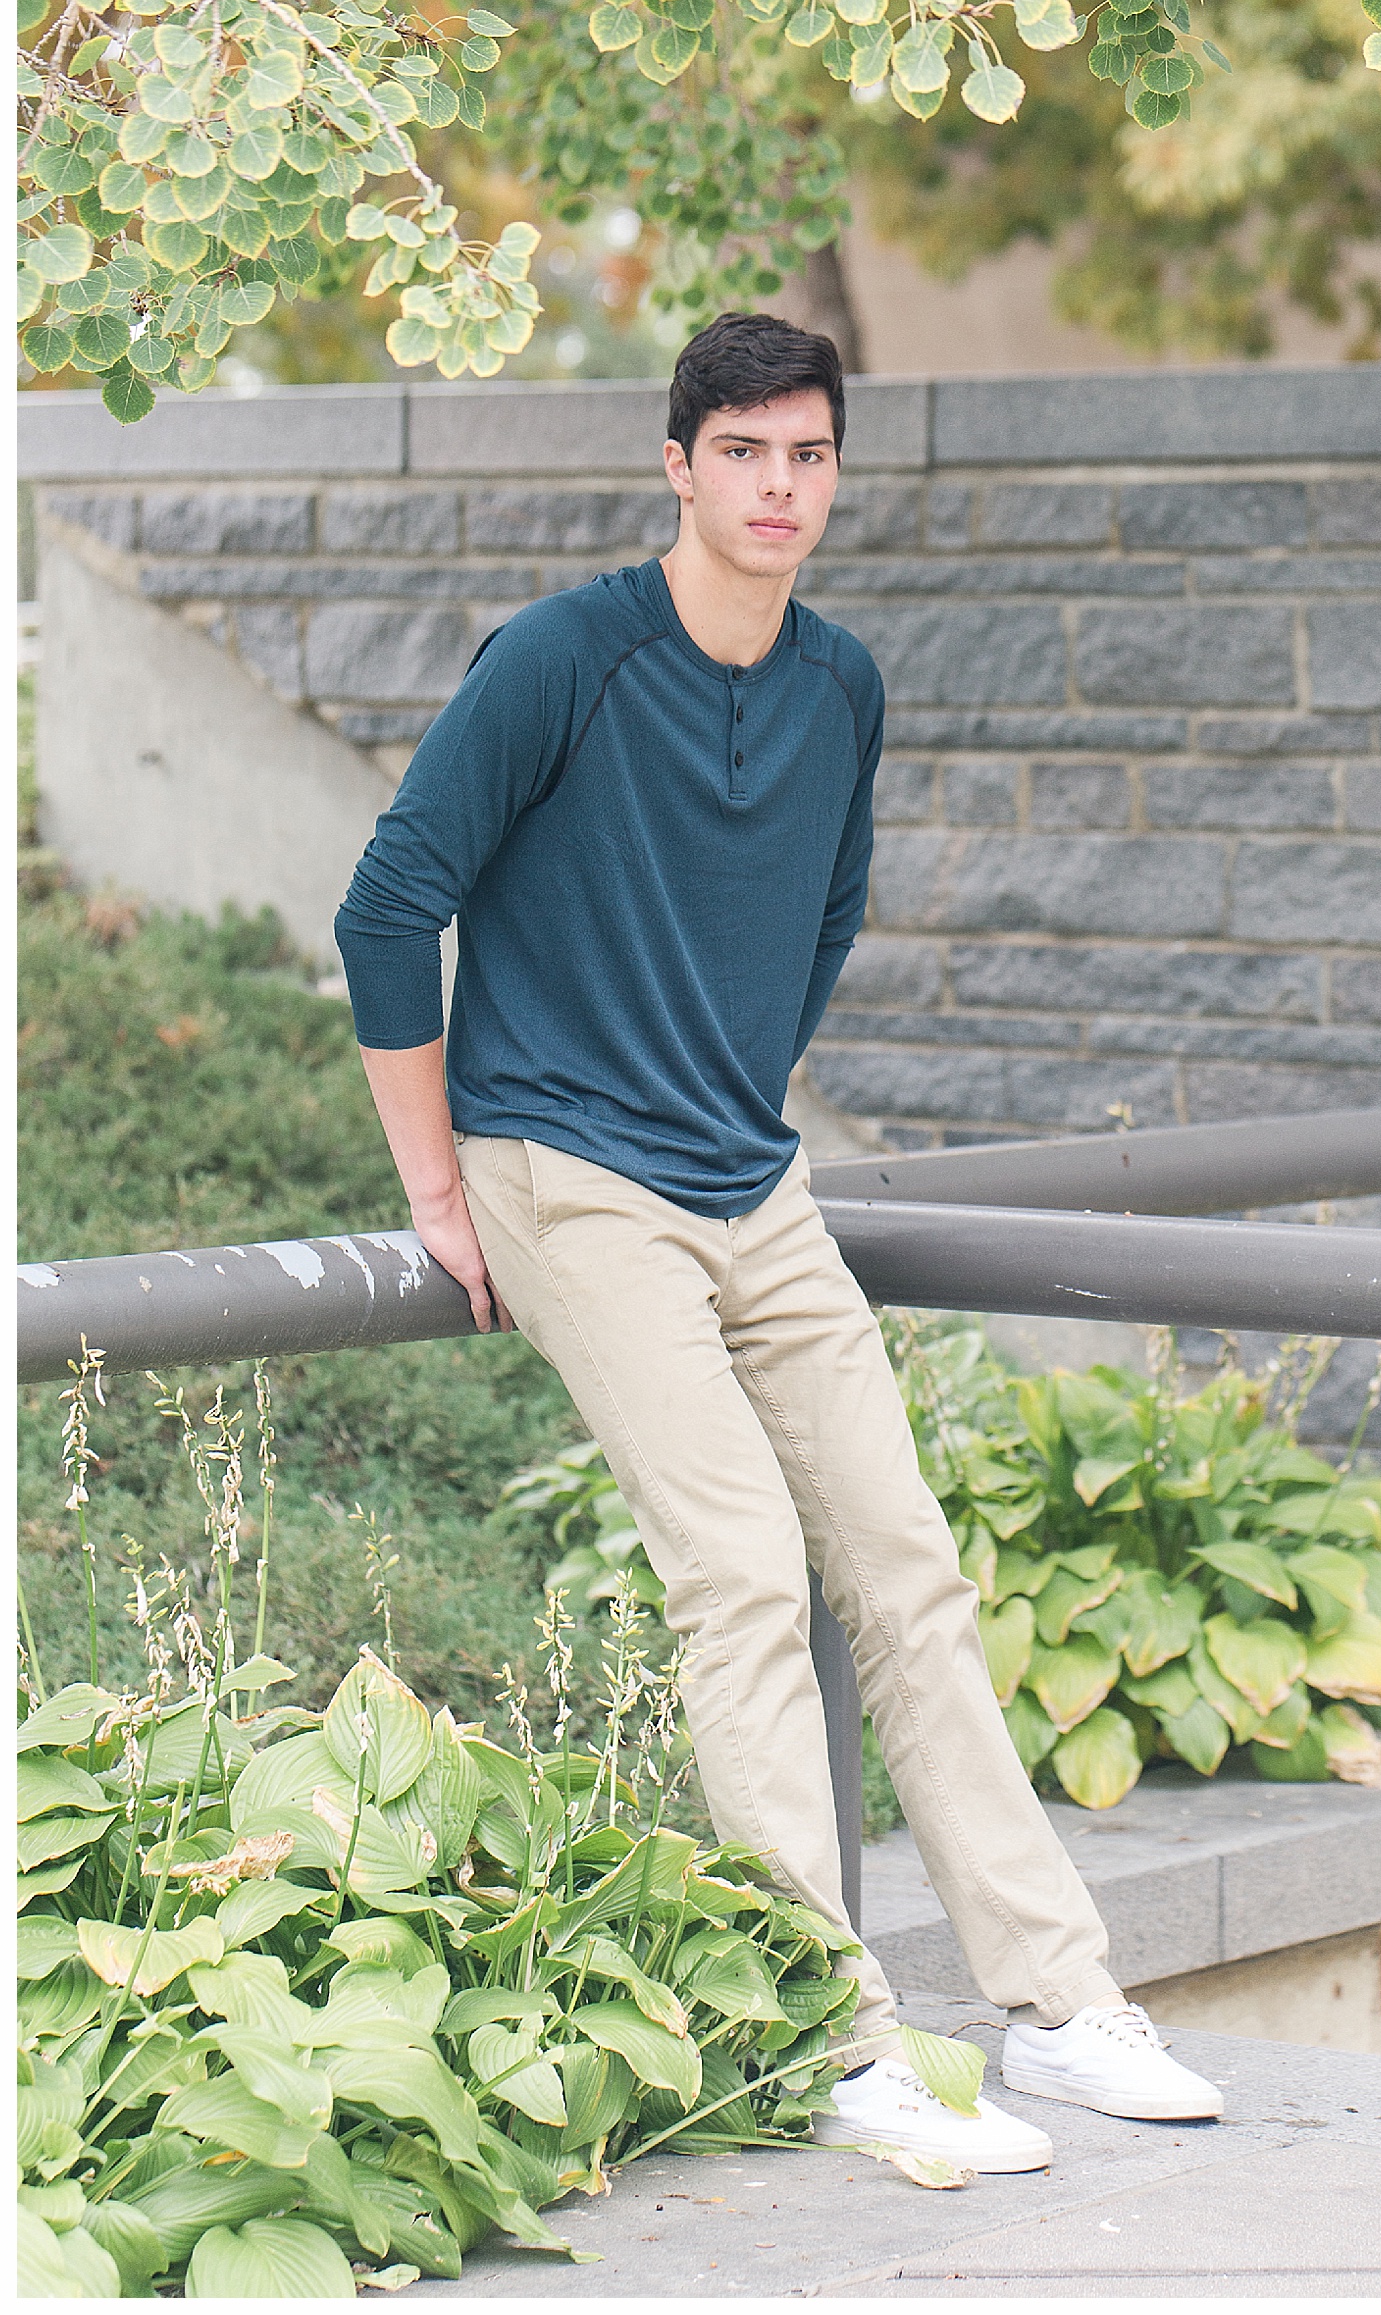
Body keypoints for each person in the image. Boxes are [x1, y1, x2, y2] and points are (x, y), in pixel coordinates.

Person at [335, 310, 1221, 2172]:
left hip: (754, 1181)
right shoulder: (563, 659)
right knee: (740, 1569)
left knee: (906, 1568)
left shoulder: (840, 685)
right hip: (563, 1173)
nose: (778, 487)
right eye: (743, 453)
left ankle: (1057, 2003)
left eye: (807, 455)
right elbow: (386, 903)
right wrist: (438, 1188)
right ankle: (821, 2026)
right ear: (678, 465)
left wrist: (727, 1093)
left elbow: (822, 923)